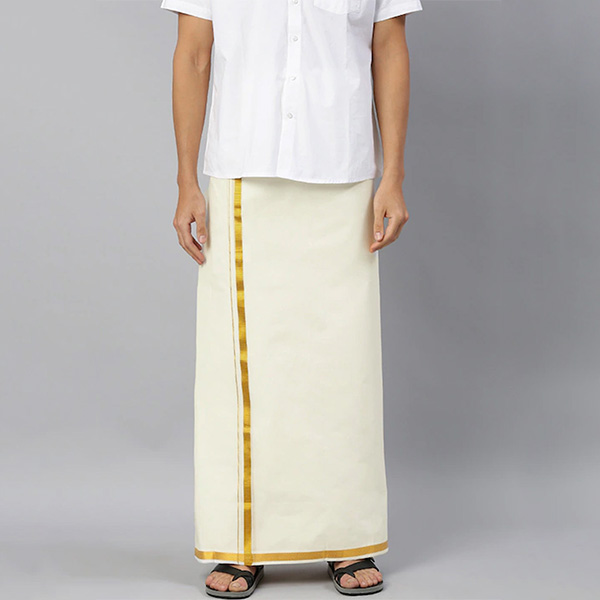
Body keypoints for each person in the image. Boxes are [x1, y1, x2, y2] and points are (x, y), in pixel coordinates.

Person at [160, 0, 422, 596]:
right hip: (243, 171)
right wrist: (185, 180)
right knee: (241, 373)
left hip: (343, 173)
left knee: (342, 369)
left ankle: (347, 538)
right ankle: (240, 542)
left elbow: (388, 48)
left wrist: (394, 175)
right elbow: (194, 53)